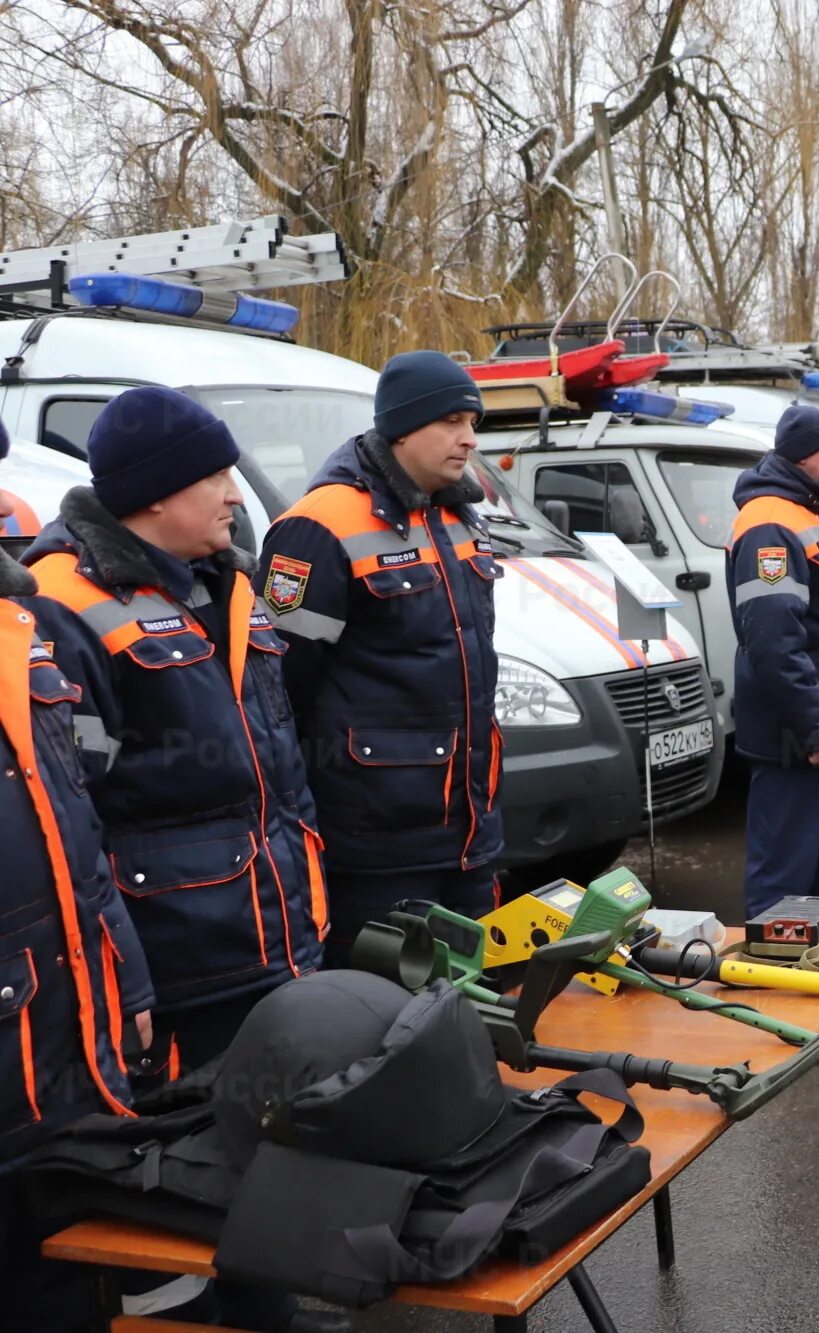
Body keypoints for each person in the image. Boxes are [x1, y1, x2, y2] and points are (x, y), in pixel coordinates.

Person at [24, 388, 325, 1073]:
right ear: (155, 493)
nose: (236, 496)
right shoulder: (66, 608)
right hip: (183, 971)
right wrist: (123, 978)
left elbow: (282, 776)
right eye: (214, 478)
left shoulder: (231, 585)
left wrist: (311, 915)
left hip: (276, 943)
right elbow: (72, 823)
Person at [259, 351, 504, 962]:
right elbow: (278, 691)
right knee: (386, 1021)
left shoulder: (457, 514)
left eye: (472, 421)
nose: (468, 438)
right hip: (376, 845)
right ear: (402, 426)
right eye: (450, 421)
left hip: (468, 832)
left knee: (479, 1011)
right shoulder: (319, 526)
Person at [0, 425, 154, 1333]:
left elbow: (75, 827)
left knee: (58, 1283)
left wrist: (122, 973)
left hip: (55, 1043)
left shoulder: (19, 628)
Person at [724, 405, 819, 919]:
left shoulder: (813, 513)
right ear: (804, 453)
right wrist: (815, 728)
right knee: (785, 874)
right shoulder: (770, 523)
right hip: (798, 732)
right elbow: (773, 640)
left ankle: (815, 971)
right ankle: (773, 978)